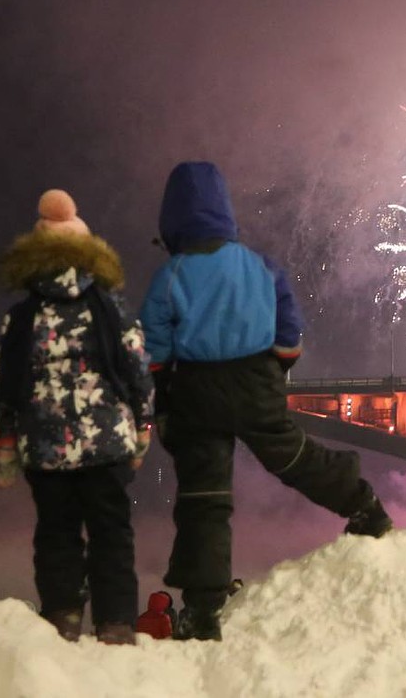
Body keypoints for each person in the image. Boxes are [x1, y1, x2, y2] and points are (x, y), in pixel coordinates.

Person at [140, 161, 393, 641]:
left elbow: (153, 349)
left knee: (204, 496)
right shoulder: (260, 266)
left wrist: (166, 390)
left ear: (171, 220)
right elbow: (289, 329)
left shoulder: (170, 275)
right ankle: (364, 506)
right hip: (257, 378)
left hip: (197, 388)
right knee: (292, 455)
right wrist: (277, 366)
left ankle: (202, 609)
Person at [0, 189, 154, 646]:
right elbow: (136, 368)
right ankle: (116, 624)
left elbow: (6, 384)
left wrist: (6, 443)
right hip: (106, 445)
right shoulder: (108, 307)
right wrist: (143, 426)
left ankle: (62, 618)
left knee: (56, 534)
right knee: (112, 534)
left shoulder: (22, 316)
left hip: (44, 446)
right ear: (88, 255)